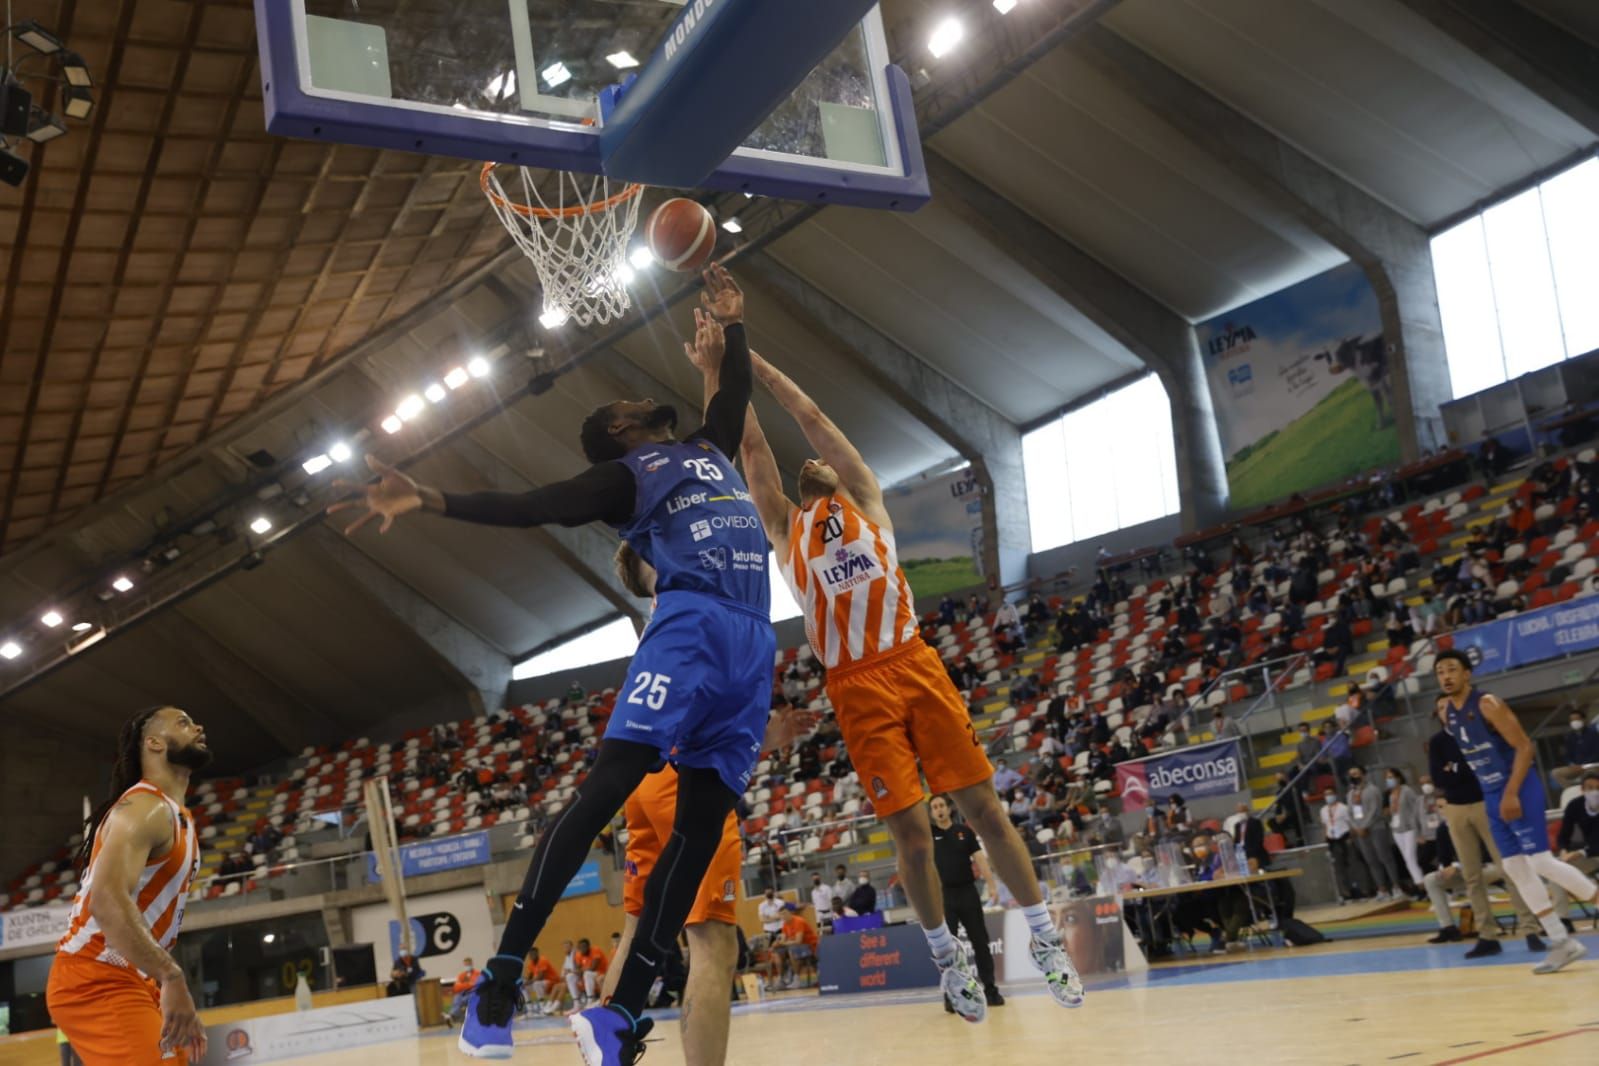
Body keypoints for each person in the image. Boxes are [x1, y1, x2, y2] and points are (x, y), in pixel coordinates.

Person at [333, 270, 773, 1063]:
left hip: (752, 637)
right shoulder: (623, 478)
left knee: (703, 830)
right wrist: (430, 499)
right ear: (616, 431)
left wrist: (735, 327)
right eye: (625, 409)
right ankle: (498, 984)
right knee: (606, 786)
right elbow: (530, 504)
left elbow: (732, 395)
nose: (639, 402)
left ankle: (622, 1011)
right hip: (691, 623)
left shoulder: (706, 449)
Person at [700, 344, 1084, 1023]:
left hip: (912, 662)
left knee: (984, 813)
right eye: (805, 465)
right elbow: (750, 444)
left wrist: (755, 357)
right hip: (855, 685)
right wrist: (719, 364)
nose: (809, 459)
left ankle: (1046, 941)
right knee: (910, 833)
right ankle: (947, 959)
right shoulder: (788, 532)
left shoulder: (869, 503)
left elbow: (809, 412)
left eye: (820, 460)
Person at [47, 707, 212, 1066]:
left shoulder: (175, 814)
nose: (198, 726)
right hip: (95, 974)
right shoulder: (144, 807)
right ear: (153, 743)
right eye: (183, 723)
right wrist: (171, 976)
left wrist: (164, 983)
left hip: (134, 976)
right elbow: (106, 901)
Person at [1435, 649, 1599, 973]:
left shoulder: (1487, 704)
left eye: (1452, 669)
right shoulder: (1449, 714)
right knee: (1514, 867)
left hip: (1518, 788)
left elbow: (1525, 747)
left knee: (1540, 861)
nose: (1446, 676)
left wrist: (1511, 792)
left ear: (1467, 673)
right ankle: (1561, 941)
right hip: (1492, 794)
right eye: (1440, 672)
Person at [1426, 699, 1541, 957]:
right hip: (1455, 808)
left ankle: (1530, 928)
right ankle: (1487, 935)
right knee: (1471, 875)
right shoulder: (1437, 742)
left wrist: (1456, 768)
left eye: (1450, 706)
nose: (1447, 711)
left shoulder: (1475, 731)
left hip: (1485, 802)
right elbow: (1438, 777)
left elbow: (1487, 766)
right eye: (1442, 708)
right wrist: (1460, 769)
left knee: (1509, 866)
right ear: (1438, 714)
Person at [930, 794, 1003, 1010]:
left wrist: (991, 884)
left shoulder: (965, 832)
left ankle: (990, 989)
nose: (939, 809)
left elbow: (980, 859)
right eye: (935, 807)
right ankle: (952, 995)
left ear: (949, 808)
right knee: (947, 949)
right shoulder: (928, 836)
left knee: (980, 941)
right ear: (932, 812)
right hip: (944, 896)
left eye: (942, 805)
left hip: (968, 893)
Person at [1548, 770, 1599, 919]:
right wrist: (1563, 850)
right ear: (1582, 790)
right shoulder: (1575, 806)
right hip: (1590, 856)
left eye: (1598, 788)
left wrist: (1581, 853)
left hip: (1589, 852)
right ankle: (1562, 918)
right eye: (1590, 788)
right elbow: (1563, 835)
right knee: (1556, 869)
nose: (1594, 792)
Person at [1347, 768, 1402, 900]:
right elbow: (1350, 813)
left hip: (1375, 827)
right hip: (1361, 831)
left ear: (1363, 775)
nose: (1353, 776)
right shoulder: (1350, 794)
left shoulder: (1372, 790)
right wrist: (1356, 827)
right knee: (1371, 860)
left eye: (1356, 774)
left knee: (1385, 857)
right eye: (1351, 775)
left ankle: (1396, 887)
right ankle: (1382, 889)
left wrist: (1364, 826)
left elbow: (1375, 810)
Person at [1320, 788, 1364, 902]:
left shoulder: (1343, 808)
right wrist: (1326, 839)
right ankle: (1346, 892)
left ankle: (1361, 890)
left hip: (1345, 837)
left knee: (1353, 864)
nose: (1328, 796)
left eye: (1330, 794)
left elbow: (1351, 823)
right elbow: (1326, 825)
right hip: (1332, 839)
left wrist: (1351, 837)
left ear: (1335, 794)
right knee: (1338, 868)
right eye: (1326, 794)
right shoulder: (1323, 810)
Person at [1386, 768, 1427, 890]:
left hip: (1410, 827)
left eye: (1391, 777)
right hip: (1397, 829)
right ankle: (1419, 883)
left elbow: (1417, 807)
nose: (1389, 780)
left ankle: (1421, 883)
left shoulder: (1407, 791)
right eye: (1387, 778)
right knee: (1406, 859)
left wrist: (1419, 828)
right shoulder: (1391, 794)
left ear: (1398, 778)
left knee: (1410, 857)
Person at [1551, 708, 1599, 793]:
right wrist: (1571, 763)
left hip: (1592, 765)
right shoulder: (1570, 737)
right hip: (1577, 766)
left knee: (1589, 772)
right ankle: (1573, 792)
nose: (1574, 722)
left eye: (1576, 719)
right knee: (1556, 773)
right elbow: (1567, 754)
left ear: (1583, 720)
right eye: (1572, 720)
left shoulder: (1593, 733)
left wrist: (1584, 765)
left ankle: (1590, 791)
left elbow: (1596, 752)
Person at [566, 938, 608, 1009]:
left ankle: (590, 999)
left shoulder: (595, 950)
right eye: (581, 947)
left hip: (601, 973)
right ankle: (577, 1003)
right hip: (588, 976)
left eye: (584, 946)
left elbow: (593, 968)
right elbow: (578, 969)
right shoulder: (578, 954)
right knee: (570, 976)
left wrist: (580, 971)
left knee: (587, 973)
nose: (583, 949)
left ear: (589, 946)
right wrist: (579, 977)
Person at [523, 948, 562, 1016]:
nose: (532, 955)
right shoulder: (531, 964)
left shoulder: (543, 960)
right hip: (543, 984)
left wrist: (528, 981)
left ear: (537, 953)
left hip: (553, 981)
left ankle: (542, 1008)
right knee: (523, 987)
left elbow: (541, 977)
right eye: (530, 954)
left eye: (533, 954)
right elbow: (529, 977)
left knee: (536, 984)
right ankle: (530, 1010)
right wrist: (524, 981)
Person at [447, 958, 481, 1026]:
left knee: (462, 1000)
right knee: (457, 997)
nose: (467, 966)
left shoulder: (477, 974)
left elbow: (475, 985)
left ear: (471, 964)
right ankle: (452, 1015)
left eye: (468, 964)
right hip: (463, 993)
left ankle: (453, 1015)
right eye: (465, 965)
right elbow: (456, 987)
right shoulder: (461, 975)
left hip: (474, 993)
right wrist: (468, 984)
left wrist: (463, 985)